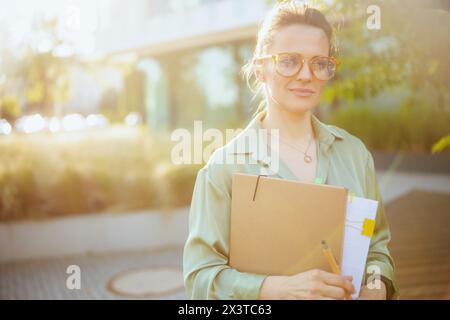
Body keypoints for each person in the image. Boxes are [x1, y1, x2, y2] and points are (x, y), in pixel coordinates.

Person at [183, 1, 398, 300]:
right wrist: (274, 289)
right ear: (260, 69)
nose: (306, 75)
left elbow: (377, 249)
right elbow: (200, 279)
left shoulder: (355, 154)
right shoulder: (225, 168)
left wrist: (376, 289)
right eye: (289, 61)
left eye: (319, 63)